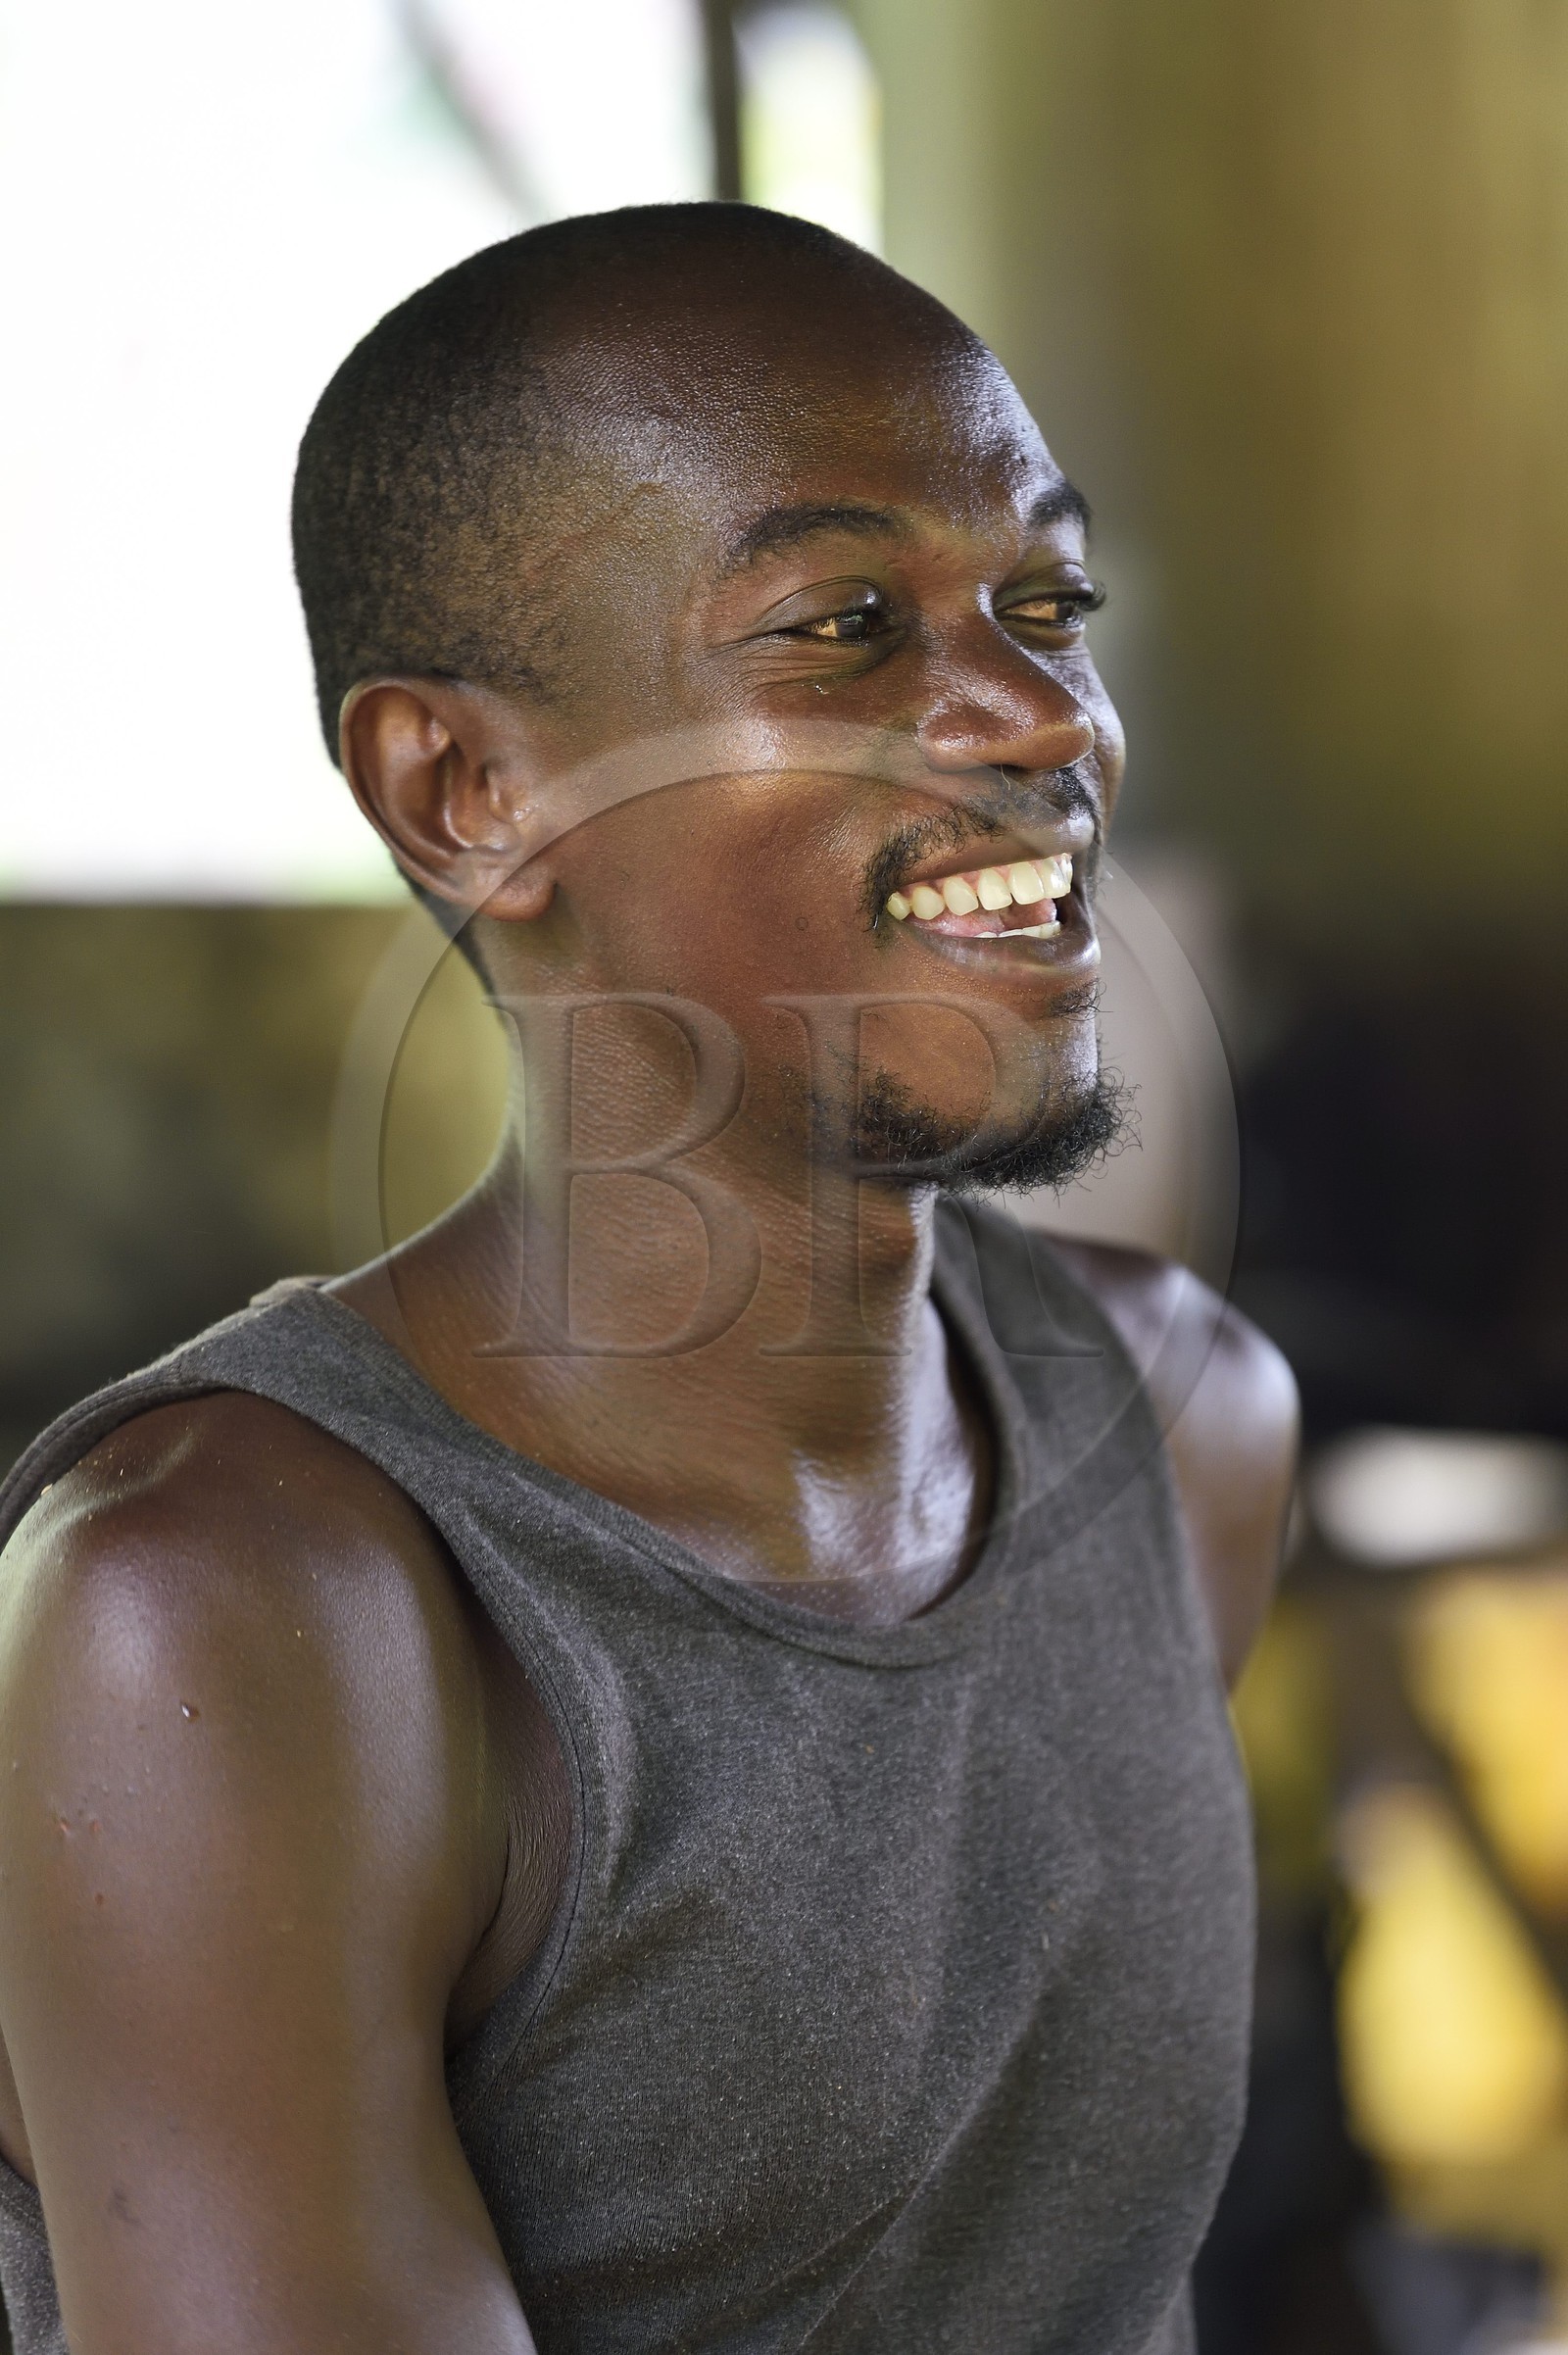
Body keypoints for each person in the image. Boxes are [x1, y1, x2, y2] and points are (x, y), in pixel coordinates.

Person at [0, 206, 1297, 2355]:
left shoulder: (1171, 1431)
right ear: (467, 790)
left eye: (1047, 603)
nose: (1039, 714)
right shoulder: (237, 1612)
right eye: (845, 625)